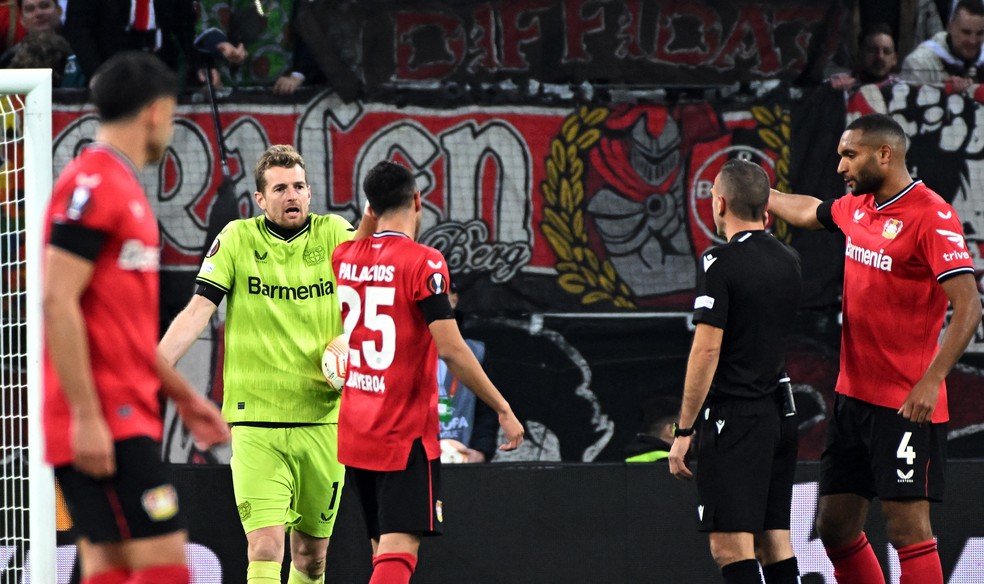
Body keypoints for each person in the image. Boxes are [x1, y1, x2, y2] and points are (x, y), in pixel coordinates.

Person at [767, 113, 981, 584]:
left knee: (908, 529)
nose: (841, 164)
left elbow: (969, 307)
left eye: (850, 154)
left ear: (885, 154)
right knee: (835, 526)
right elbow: (811, 211)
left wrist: (932, 380)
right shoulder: (857, 206)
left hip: (905, 406)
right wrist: (762, 196)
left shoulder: (931, 214)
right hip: (852, 400)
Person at [42, 51, 230, 584]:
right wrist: (86, 416)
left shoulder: (122, 188)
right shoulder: (93, 186)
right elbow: (58, 301)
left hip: (122, 413)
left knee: (109, 565)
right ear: (156, 111)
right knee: (168, 564)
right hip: (104, 418)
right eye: (171, 114)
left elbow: (121, 332)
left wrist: (187, 399)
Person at [157, 144, 373, 584]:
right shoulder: (237, 238)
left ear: (309, 193)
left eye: (298, 186)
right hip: (257, 423)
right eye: (279, 189)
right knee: (265, 547)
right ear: (260, 199)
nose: (290, 195)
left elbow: (374, 286)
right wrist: (153, 368)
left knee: (311, 557)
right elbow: (199, 309)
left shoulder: (334, 232)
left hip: (325, 422)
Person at [332, 160, 525, 584]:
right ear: (418, 201)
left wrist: (370, 213)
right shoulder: (425, 262)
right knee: (399, 553)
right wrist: (502, 407)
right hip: (403, 434)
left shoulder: (343, 257)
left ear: (370, 207)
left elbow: (361, 239)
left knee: (381, 550)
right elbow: (452, 351)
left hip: (355, 430)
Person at [668, 159, 803, 584]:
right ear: (767, 208)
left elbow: (706, 351)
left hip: (738, 418)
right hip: (780, 414)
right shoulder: (790, 259)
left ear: (719, 202)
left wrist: (684, 431)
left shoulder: (720, 263)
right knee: (774, 540)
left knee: (730, 546)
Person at [437, 278, 498, 464]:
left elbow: (488, 408)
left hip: (464, 462)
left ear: (454, 299)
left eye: (441, 296)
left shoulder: (477, 353)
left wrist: (481, 450)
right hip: (418, 466)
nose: (434, 304)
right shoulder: (402, 353)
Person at [901, 0, 984, 91]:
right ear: (950, 27)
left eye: (980, 33)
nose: (972, 41)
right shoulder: (918, 63)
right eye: (966, 32)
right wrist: (944, 92)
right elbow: (909, 103)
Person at [829, 24, 900, 90]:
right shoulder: (841, 87)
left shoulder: (904, 92)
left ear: (894, 59)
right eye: (872, 50)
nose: (880, 56)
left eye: (886, 51)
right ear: (860, 54)